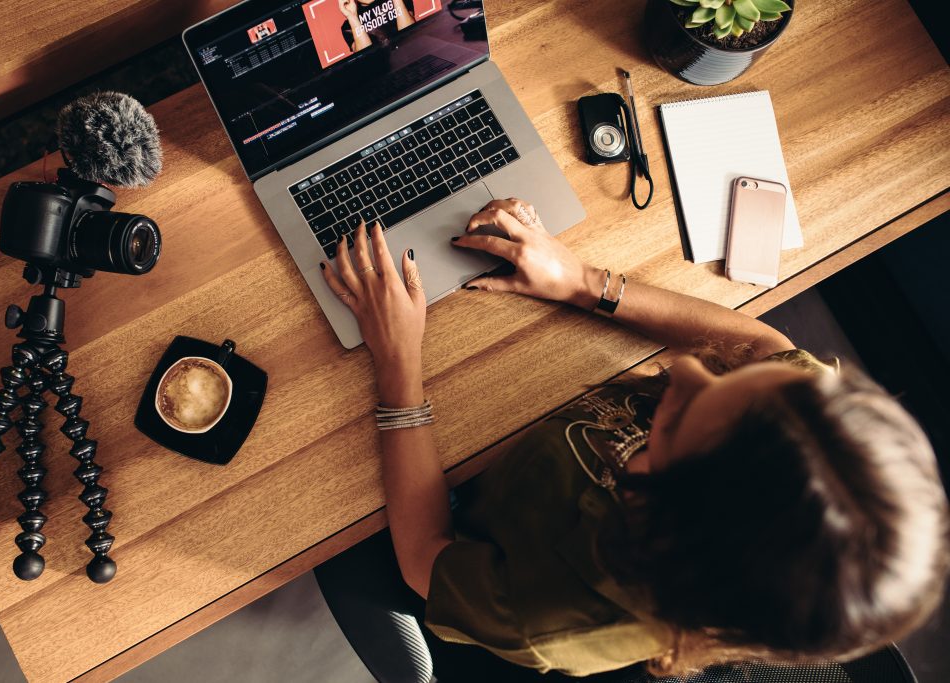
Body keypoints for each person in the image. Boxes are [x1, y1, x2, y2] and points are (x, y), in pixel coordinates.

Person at [318, 199, 950, 678]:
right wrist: (583, 281)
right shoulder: (799, 429)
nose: (691, 370)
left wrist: (399, 362)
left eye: (676, 420)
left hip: (469, 506)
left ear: (651, 509)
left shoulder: (547, 614)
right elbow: (763, 348)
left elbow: (424, 558)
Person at [339, 0, 416, 53]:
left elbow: (411, 36)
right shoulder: (349, 25)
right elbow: (365, 58)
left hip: (409, 59)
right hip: (381, 72)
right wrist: (352, 17)